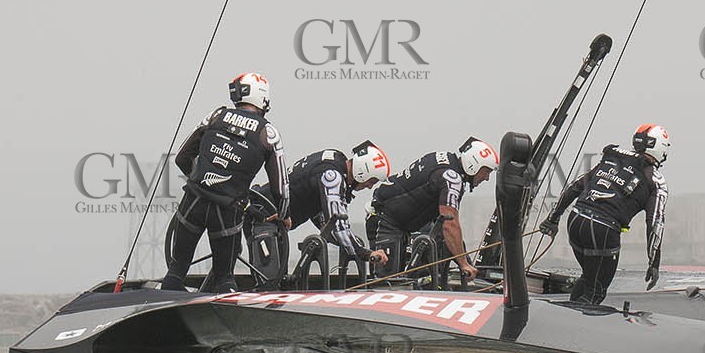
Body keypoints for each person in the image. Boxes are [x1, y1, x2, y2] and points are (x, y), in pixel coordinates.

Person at [163, 72, 288, 293]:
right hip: (228, 211)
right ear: (263, 100)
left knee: (176, 271)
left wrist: (199, 178)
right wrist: (284, 213)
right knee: (224, 278)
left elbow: (182, 156)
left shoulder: (216, 115)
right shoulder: (269, 134)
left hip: (194, 201)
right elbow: (281, 188)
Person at [540, 123, 669, 305]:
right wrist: (654, 262)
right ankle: (574, 327)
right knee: (596, 291)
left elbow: (575, 186)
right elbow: (655, 223)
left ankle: (566, 313)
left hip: (575, 220)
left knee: (589, 277)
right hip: (603, 230)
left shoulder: (612, 159)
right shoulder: (657, 180)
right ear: (661, 148)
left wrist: (553, 219)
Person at [365, 139, 499, 282]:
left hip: (393, 220)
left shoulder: (446, 161)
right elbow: (450, 225)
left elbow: (443, 225)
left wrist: (465, 261)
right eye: (486, 171)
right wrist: (464, 264)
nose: (486, 178)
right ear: (473, 165)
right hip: (385, 221)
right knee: (388, 283)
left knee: (402, 277)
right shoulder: (452, 179)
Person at [288, 141, 391, 269]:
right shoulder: (334, 177)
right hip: (268, 219)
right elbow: (339, 227)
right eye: (372, 181)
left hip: (274, 220)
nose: (370, 187)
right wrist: (366, 253)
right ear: (362, 171)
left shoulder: (336, 160)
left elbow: (326, 224)